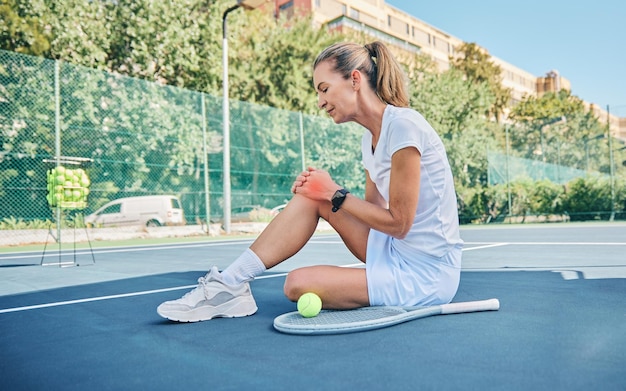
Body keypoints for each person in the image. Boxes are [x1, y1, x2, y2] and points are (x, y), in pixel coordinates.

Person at [157, 41, 463, 322]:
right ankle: (231, 284)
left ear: (355, 80)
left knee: (297, 284)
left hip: (427, 274)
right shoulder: (368, 140)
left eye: (324, 88)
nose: (320, 101)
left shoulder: (405, 127)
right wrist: (323, 192)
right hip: (393, 252)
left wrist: (335, 193)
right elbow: (374, 218)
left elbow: (398, 224)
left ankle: (233, 285)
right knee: (313, 196)